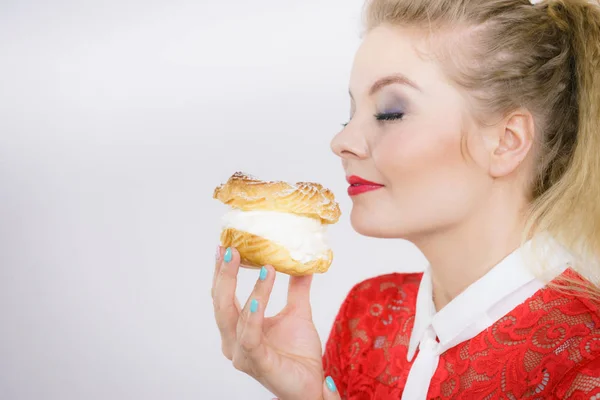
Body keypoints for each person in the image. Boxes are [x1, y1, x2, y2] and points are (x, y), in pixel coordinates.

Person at [211, 0, 600, 398]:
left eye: (390, 112)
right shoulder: (367, 315)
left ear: (506, 141)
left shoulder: (586, 357)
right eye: (350, 115)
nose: (341, 141)